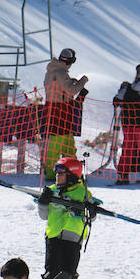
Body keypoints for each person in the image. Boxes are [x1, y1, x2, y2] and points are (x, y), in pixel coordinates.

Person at [36, 156, 99, 279]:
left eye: (61, 173)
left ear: (71, 175)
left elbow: (90, 218)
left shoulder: (83, 193)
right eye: (56, 173)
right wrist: (43, 202)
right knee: (52, 273)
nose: (57, 176)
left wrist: (90, 211)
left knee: (69, 273)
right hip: (53, 237)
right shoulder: (52, 190)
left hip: (73, 239)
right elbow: (43, 216)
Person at [42, 48, 88, 182]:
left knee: (68, 145)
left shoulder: (53, 70)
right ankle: (52, 174)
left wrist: (70, 80)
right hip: (60, 112)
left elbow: (61, 86)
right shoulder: (60, 72)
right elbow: (71, 90)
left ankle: (72, 172)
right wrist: (82, 81)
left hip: (57, 111)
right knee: (57, 145)